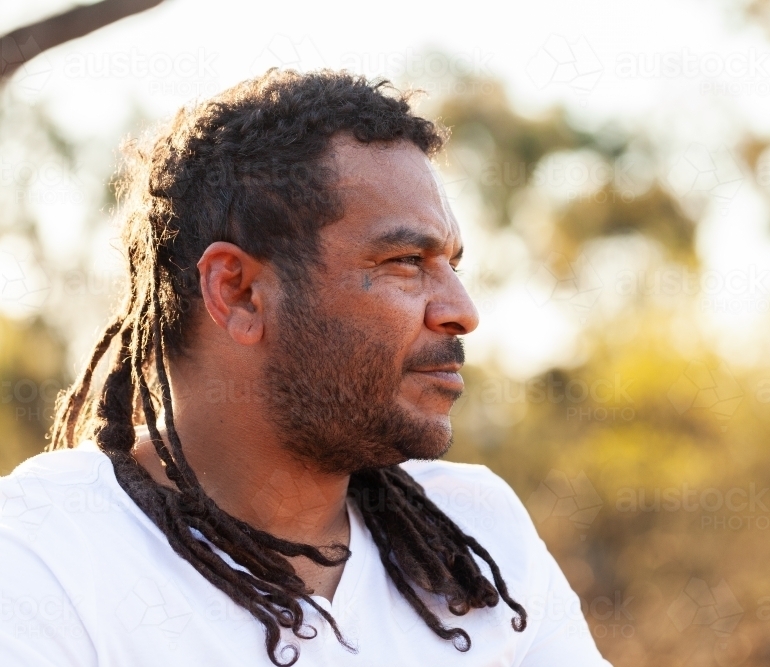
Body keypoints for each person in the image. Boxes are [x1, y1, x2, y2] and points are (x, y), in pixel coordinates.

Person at [0, 69, 611, 666]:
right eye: (405, 261)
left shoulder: (478, 531)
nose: (462, 312)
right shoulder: (43, 550)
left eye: (453, 263)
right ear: (238, 294)